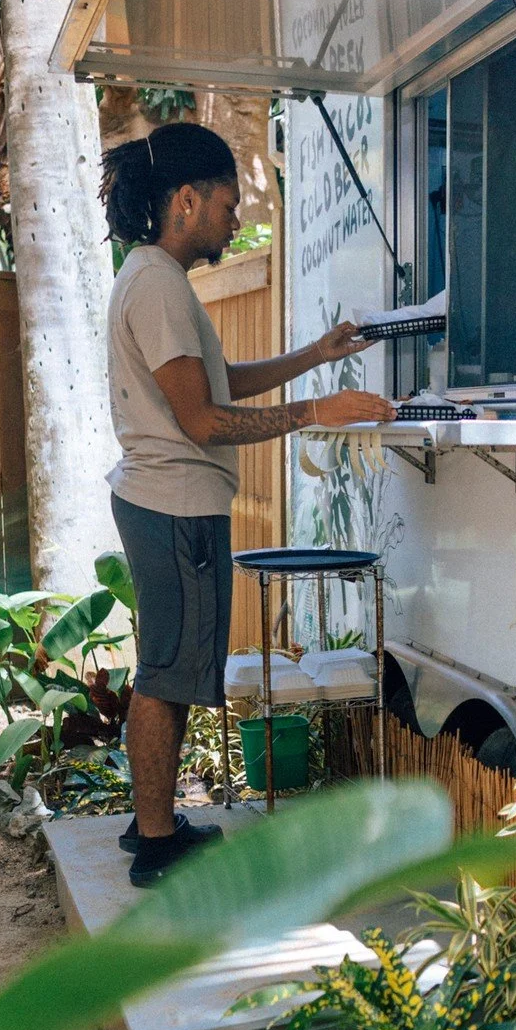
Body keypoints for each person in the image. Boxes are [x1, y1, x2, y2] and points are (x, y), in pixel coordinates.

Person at [100, 123, 396, 886]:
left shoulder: (153, 278)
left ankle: (152, 823)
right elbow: (201, 421)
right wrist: (311, 414)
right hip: (175, 505)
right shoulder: (159, 283)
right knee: (168, 674)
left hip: (167, 503)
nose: (237, 221)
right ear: (187, 200)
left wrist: (311, 359)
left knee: (167, 667)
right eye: (230, 206)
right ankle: (159, 845)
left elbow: (216, 383)